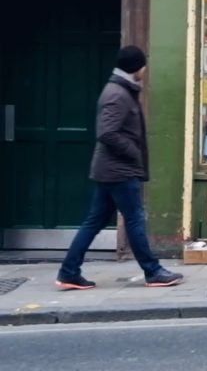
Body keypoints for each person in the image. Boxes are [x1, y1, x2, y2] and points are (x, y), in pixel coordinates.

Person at [56, 45, 183, 290]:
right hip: (119, 171)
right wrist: (133, 152)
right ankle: (153, 271)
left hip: (111, 169)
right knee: (135, 219)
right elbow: (107, 133)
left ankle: (69, 271)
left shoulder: (122, 90)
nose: (145, 70)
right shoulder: (117, 94)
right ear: (136, 68)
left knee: (93, 222)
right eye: (143, 66)